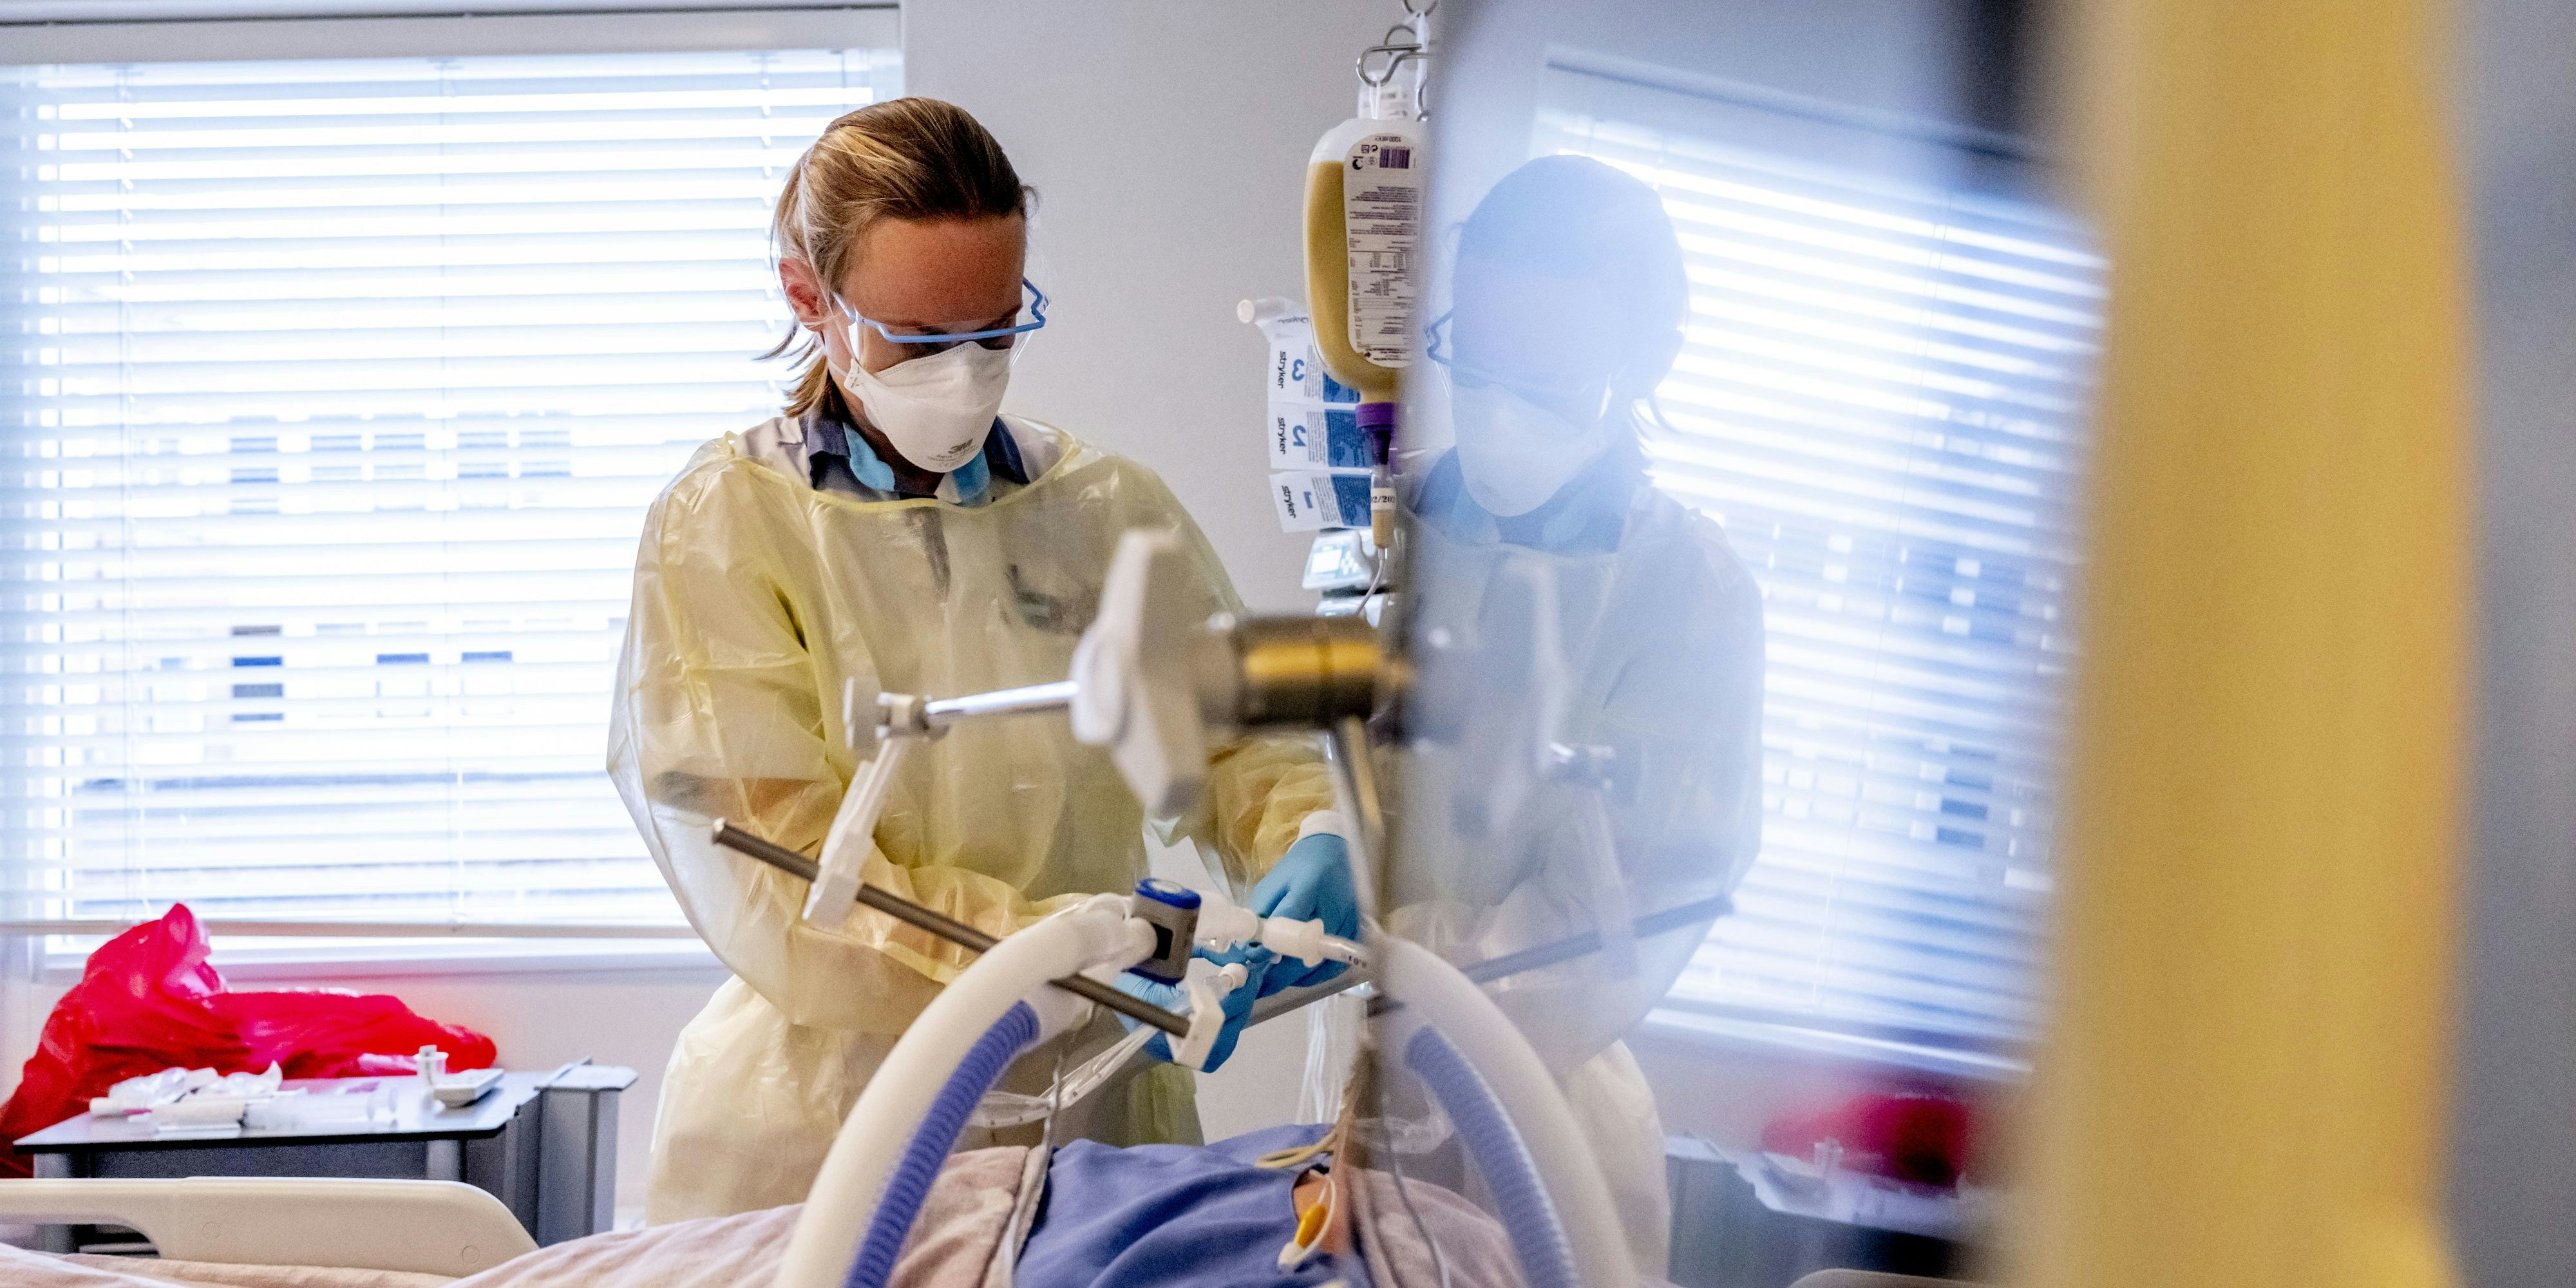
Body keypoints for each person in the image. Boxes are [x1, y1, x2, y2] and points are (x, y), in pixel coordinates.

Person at [607, 98, 1357, 1225]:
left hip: (1098, 1118)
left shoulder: (1101, 507)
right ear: (810, 299)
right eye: (918, 340)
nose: (963, 376)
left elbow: (1233, 735)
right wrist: (1050, 948)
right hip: (829, 1132)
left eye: (996, 333)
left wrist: (1317, 832)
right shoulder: (726, 523)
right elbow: (778, 875)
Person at [1388, 154, 1767, 1277]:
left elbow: (1642, 902)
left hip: (1548, 1142)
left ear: (1646, 361)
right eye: (1480, 360)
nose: (1498, 409)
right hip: (1357, 1109)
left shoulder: (1690, 593)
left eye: (1548, 381)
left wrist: (1398, 965)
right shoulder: (1386, 530)